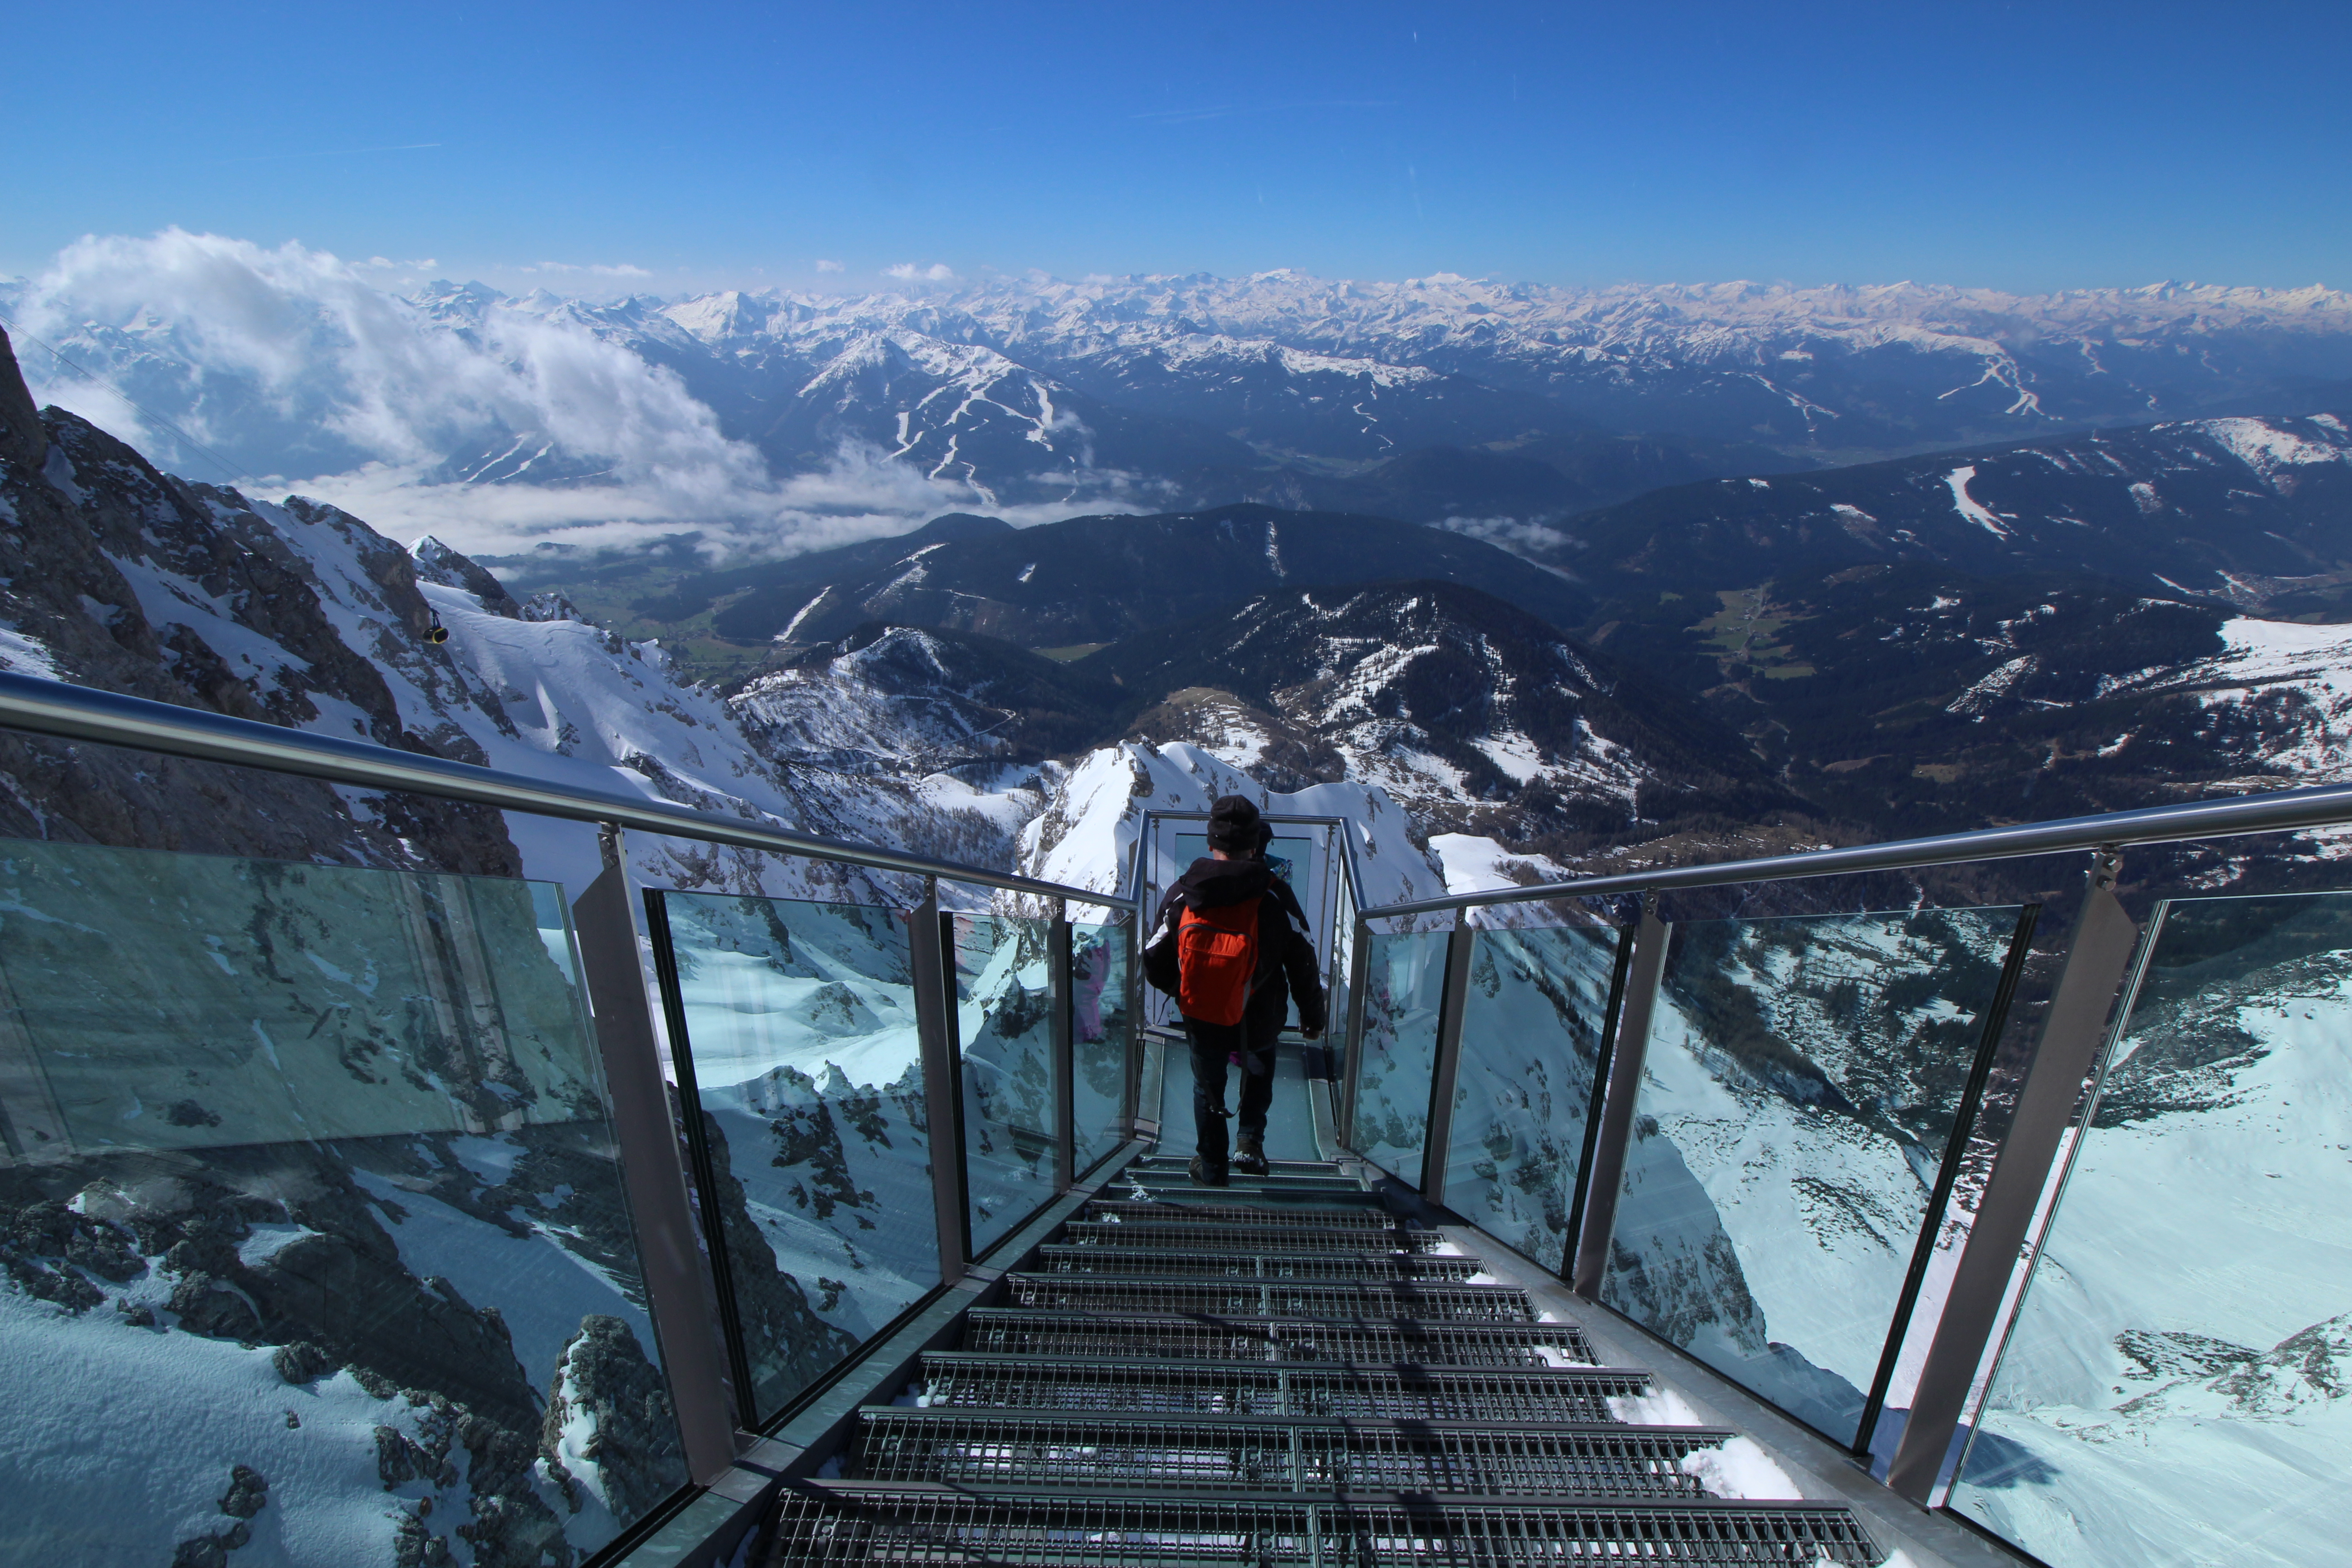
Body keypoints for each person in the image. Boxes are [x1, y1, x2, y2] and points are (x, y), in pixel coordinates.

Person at [1147, 794, 1326, 1186]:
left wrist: (1185, 992)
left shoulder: (1185, 893)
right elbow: (1303, 962)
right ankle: (1249, 1143)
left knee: (1207, 1086)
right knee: (1259, 1070)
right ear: (1254, 844)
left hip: (1203, 1017)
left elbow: (1152, 958)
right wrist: (1313, 1018)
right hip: (1260, 1017)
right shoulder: (1276, 895)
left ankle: (1211, 1166)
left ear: (1212, 843)